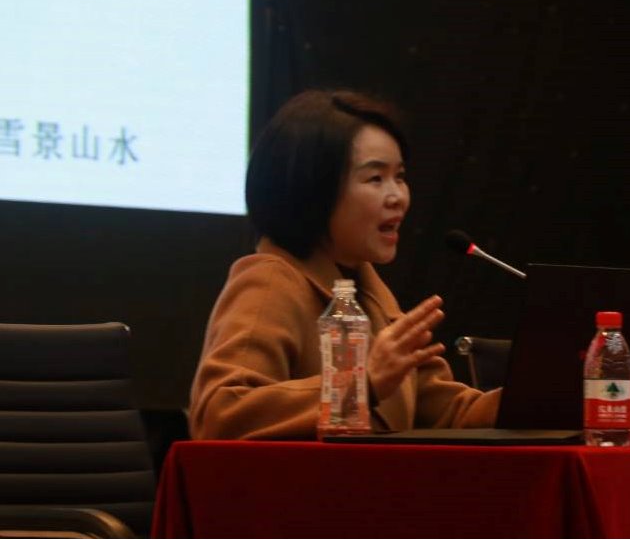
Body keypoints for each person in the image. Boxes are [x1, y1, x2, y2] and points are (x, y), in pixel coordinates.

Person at [189, 89, 500, 439]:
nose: (398, 197)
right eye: (375, 178)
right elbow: (219, 414)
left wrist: (534, 395)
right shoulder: (271, 283)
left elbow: (451, 413)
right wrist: (359, 384)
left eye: (399, 176)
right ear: (314, 191)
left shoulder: (366, 290)